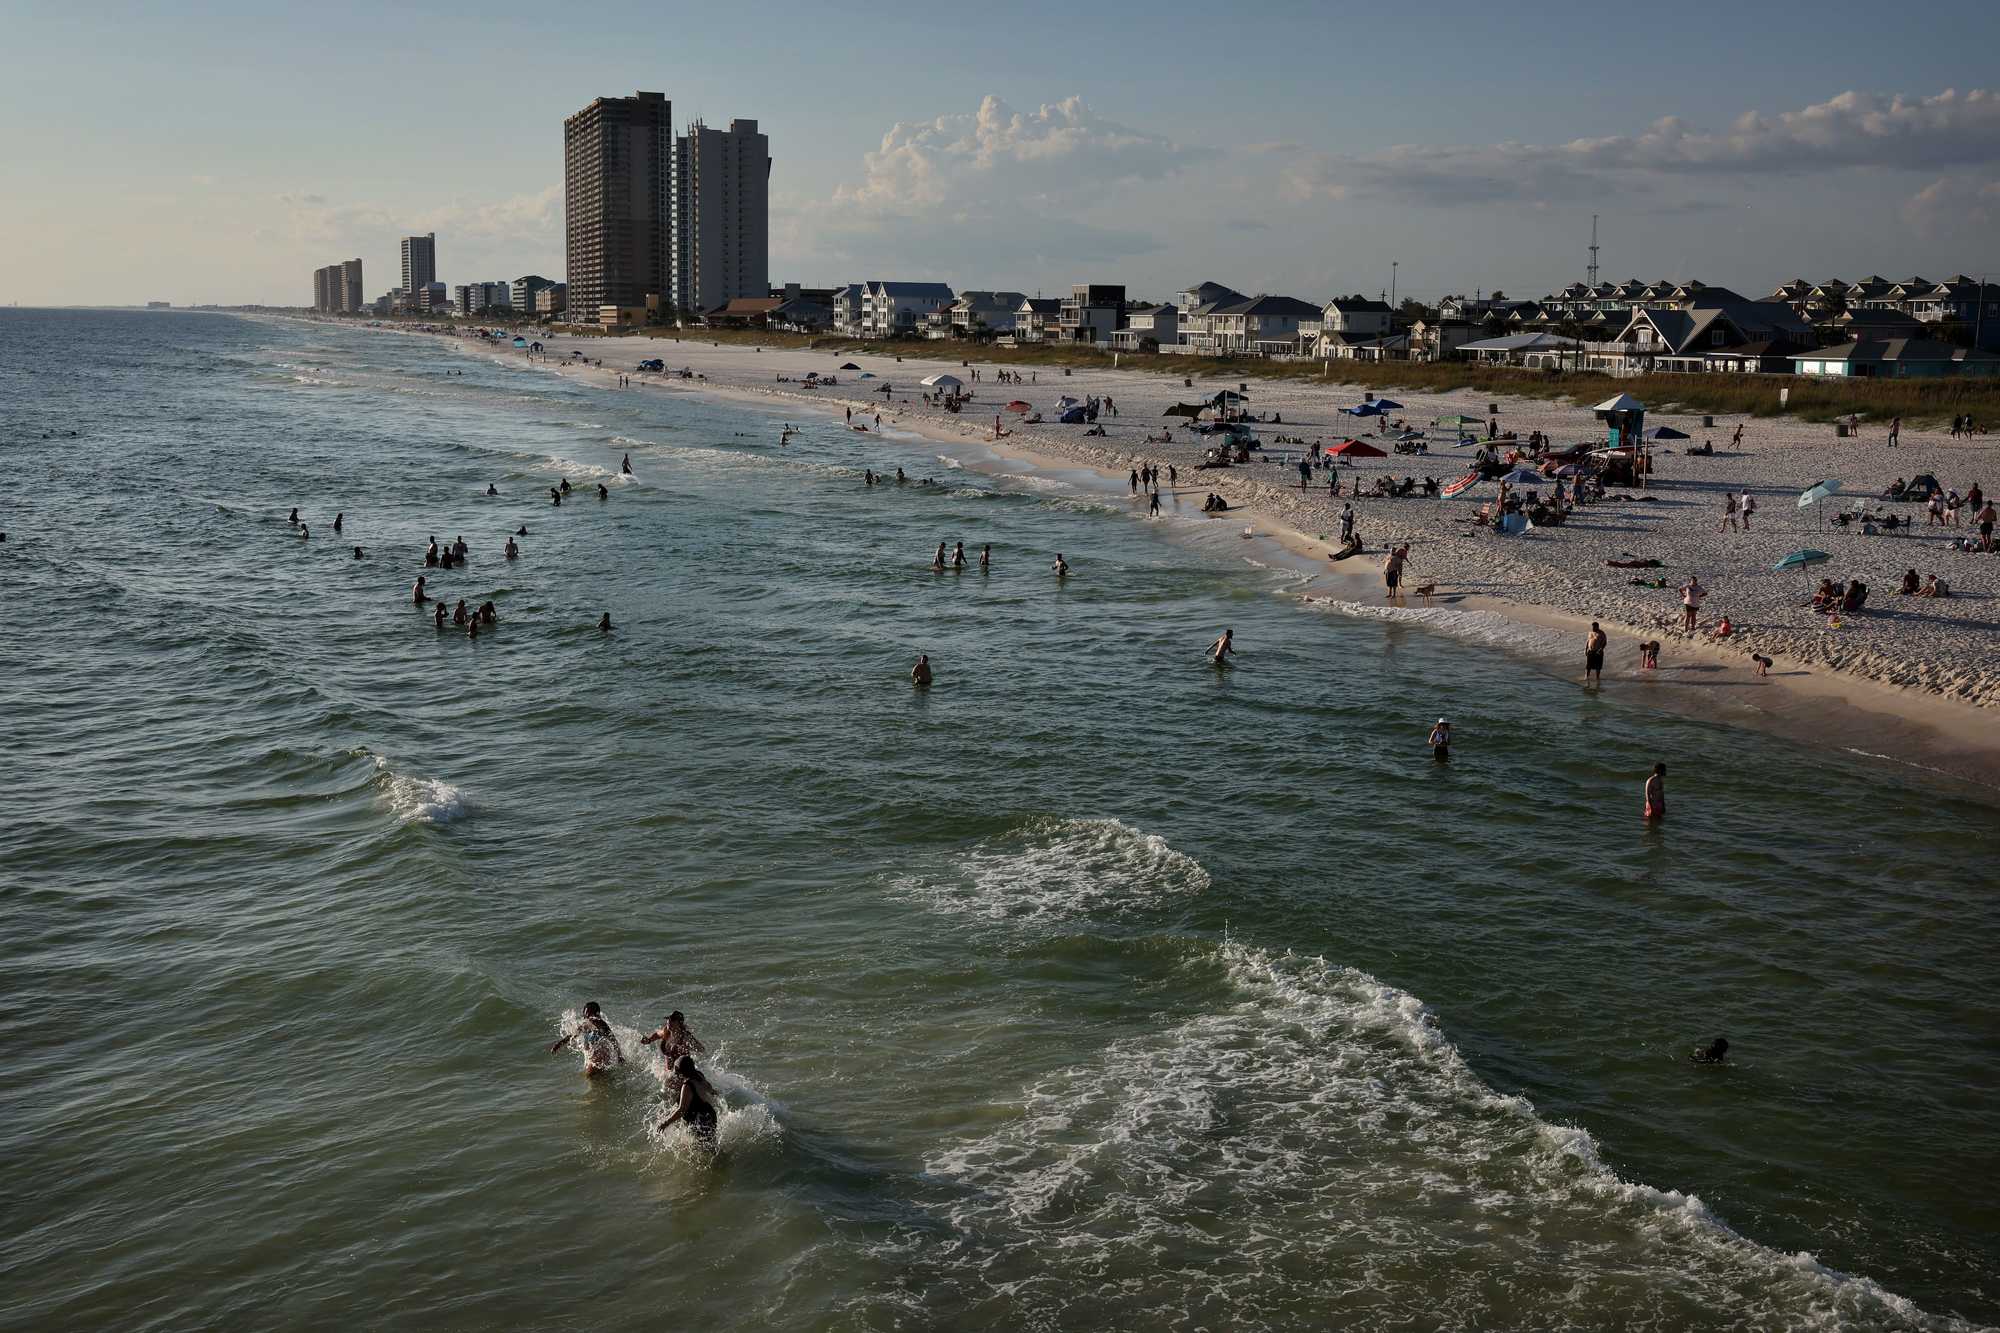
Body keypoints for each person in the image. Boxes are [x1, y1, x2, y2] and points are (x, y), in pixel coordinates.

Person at [657, 1056, 721, 1145]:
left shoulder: (687, 1086)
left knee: (705, 1148)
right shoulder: (699, 1075)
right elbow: (711, 1090)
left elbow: (681, 1110)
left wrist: (665, 1123)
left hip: (700, 1120)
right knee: (711, 1145)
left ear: (679, 1071)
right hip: (709, 1114)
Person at [548, 1001, 624, 1076]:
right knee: (593, 1079)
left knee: (591, 1075)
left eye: (589, 1014)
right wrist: (558, 1045)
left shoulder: (601, 1024)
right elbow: (571, 1036)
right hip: (593, 1058)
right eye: (585, 1015)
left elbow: (613, 1039)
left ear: (597, 1014)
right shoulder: (585, 1025)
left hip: (602, 1056)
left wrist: (619, 1056)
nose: (587, 1016)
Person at [1585, 622, 1607, 686]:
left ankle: (1597, 678)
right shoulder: (1590, 632)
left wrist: (1601, 649)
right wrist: (1585, 650)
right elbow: (1588, 641)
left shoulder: (1601, 633)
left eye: (1594, 627)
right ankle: (1586, 677)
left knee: (1598, 666)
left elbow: (1605, 642)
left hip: (1598, 651)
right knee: (1588, 665)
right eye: (1592, 627)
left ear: (1597, 626)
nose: (1593, 628)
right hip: (1590, 651)